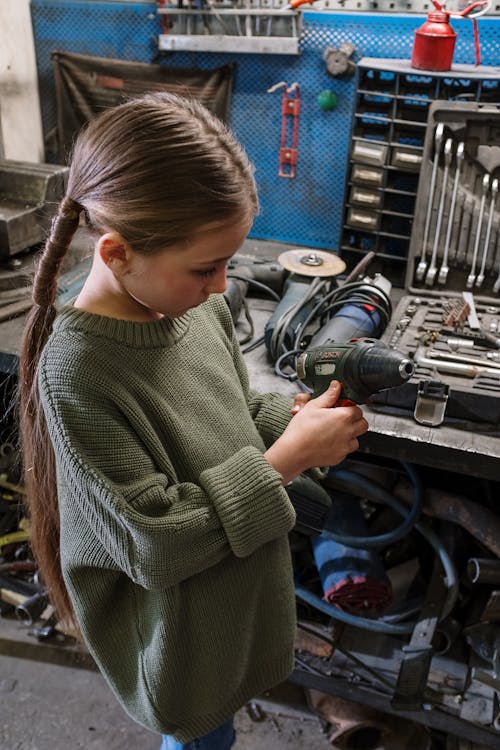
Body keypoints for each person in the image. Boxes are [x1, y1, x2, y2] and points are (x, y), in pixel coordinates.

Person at [18, 92, 368, 750]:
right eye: (206, 266)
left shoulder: (190, 309)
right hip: (181, 641)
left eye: (229, 262)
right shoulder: (79, 374)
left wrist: (291, 420)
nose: (222, 286)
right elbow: (158, 543)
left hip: (232, 603)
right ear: (118, 254)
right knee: (204, 738)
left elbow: (227, 410)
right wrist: (285, 459)